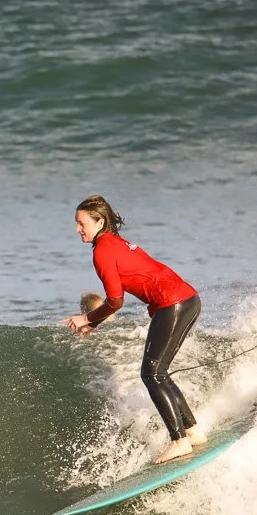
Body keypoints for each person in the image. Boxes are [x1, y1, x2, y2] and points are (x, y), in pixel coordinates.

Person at [61, 195, 204, 464]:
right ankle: (192, 431)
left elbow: (116, 300)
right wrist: (93, 321)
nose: (77, 229)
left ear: (99, 221)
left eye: (82, 223)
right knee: (158, 373)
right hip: (187, 300)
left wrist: (88, 318)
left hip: (172, 303)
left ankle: (179, 440)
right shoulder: (114, 243)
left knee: (152, 374)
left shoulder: (103, 251)